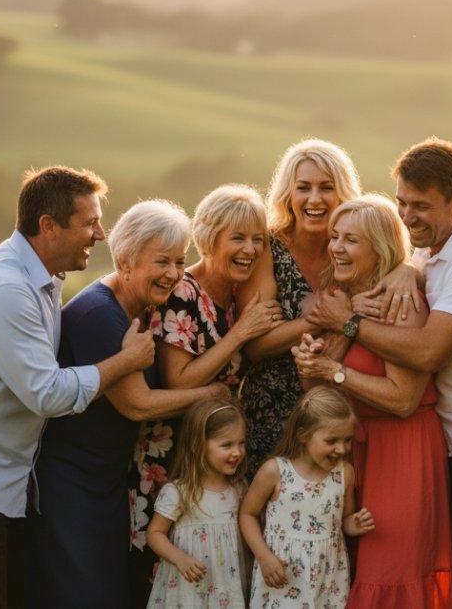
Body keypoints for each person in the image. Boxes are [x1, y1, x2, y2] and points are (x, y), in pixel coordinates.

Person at [0, 165, 156, 609]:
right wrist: (126, 361)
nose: (101, 234)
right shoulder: (6, 288)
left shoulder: (44, 280)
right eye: (90, 223)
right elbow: (48, 393)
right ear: (48, 227)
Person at [308, 137, 452, 609]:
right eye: (401, 203)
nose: (408, 217)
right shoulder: (428, 250)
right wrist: (408, 269)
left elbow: (428, 351)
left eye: (421, 207)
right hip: (450, 439)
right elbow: (405, 264)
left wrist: (346, 322)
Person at [27, 200, 229, 609]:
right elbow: (137, 404)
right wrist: (213, 395)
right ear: (126, 261)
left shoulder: (139, 307)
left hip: (106, 480)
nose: (174, 274)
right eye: (161, 262)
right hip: (73, 482)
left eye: (179, 261)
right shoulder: (99, 315)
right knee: (84, 593)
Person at [293, 194, 452, 608]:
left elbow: (404, 400)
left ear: (380, 247)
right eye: (335, 237)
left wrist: (333, 371)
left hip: (402, 449)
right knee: (351, 569)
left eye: (351, 240)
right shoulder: (338, 299)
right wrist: (310, 363)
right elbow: (317, 390)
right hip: (351, 451)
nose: (336, 248)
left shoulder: (400, 303)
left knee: (390, 572)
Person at [129, 185, 283, 603]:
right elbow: (179, 381)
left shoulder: (234, 297)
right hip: (174, 453)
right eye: (238, 238)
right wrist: (241, 334)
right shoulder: (184, 292)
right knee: (167, 576)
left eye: (257, 239)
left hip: (214, 454)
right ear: (209, 238)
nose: (250, 249)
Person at [234, 139, 363, 476]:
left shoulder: (357, 246)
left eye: (326, 188)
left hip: (338, 416)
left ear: (343, 194)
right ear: (288, 194)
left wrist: (407, 275)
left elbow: (398, 260)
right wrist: (324, 318)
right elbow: (256, 345)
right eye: (303, 188)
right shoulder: (267, 248)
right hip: (270, 414)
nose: (314, 199)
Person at [240, 386, 374, 609]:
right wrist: (264, 557)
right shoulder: (275, 471)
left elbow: (345, 520)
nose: (341, 449)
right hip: (283, 574)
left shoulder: (344, 473)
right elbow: (247, 514)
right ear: (303, 435)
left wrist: (355, 524)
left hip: (327, 578)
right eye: (331, 441)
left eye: (347, 440)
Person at [146, 397, 250, 609]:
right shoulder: (180, 492)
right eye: (227, 445)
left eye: (241, 443)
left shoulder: (238, 490)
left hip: (226, 590)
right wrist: (180, 558)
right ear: (197, 445)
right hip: (188, 591)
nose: (237, 452)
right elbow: (154, 534)